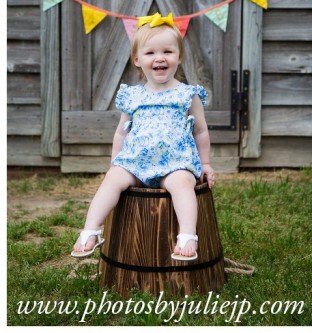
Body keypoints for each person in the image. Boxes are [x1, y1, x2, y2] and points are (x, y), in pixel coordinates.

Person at [71, 13, 215, 262]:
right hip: (137, 163)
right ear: (137, 60)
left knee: (182, 184)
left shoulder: (187, 94)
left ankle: (187, 236)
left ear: (179, 57)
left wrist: (206, 163)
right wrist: (117, 161)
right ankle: (91, 230)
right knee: (113, 179)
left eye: (167, 52)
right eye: (150, 53)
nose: (159, 58)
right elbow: (121, 131)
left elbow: (200, 130)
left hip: (175, 162)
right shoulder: (133, 96)